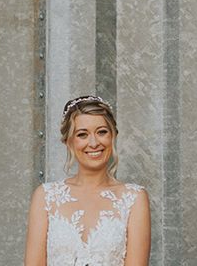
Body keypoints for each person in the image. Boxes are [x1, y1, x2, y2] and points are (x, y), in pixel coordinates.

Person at [24, 95, 151, 266]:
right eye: (82, 134)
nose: (93, 143)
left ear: (112, 136)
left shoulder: (134, 198)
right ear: (69, 142)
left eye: (102, 132)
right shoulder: (46, 196)